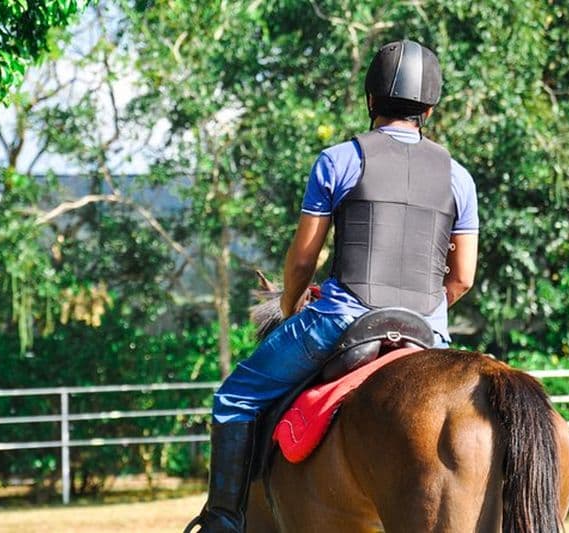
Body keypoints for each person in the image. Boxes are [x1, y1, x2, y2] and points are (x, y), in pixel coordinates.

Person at [184, 39, 479, 533]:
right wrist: (430, 310)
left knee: (233, 400)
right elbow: (463, 277)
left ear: (369, 100)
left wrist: (292, 302)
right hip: (427, 326)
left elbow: (303, 260)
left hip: (345, 317)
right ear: (429, 108)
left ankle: (221, 523)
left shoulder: (339, 160)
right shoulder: (458, 178)